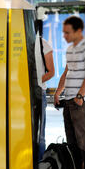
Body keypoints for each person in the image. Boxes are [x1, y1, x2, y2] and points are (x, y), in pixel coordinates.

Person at [54, 15, 85, 169]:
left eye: (67, 33)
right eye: (64, 33)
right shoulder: (70, 49)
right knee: (71, 139)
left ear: (78, 31)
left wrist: (80, 95)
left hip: (79, 101)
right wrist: (58, 92)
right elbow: (67, 72)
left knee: (82, 140)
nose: (64, 36)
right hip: (68, 100)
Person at [34, 24, 55, 161]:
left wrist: (36, 82)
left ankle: (40, 165)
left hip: (38, 92)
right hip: (18, 92)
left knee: (39, 131)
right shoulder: (17, 42)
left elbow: (51, 72)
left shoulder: (43, 44)